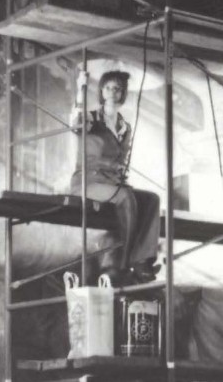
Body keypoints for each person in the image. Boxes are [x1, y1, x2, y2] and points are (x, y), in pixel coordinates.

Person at [69, 69, 160, 285]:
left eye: (117, 88)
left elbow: (121, 159)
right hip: (87, 182)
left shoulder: (124, 127)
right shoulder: (92, 118)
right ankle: (126, 263)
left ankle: (143, 260)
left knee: (151, 199)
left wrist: (120, 171)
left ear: (122, 93)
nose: (112, 91)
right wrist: (80, 90)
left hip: (112, 184)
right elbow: (76, 124)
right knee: (126, 197)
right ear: (102, 90)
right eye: (108, 87)